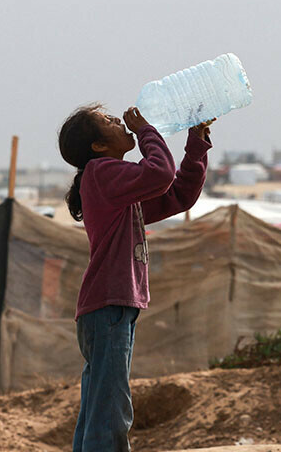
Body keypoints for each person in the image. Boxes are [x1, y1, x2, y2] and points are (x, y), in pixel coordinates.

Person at [58, 104, 213, 451]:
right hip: (108, 306)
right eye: (110, 122)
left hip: (112, 308)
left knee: (100, 407)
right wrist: (145, 130)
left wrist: (197, 143)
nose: (120, 121)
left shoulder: (115, 185)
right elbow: (160, 173)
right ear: (98, 147)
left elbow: (178, 195)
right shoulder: (100, 174)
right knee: (110, 410)